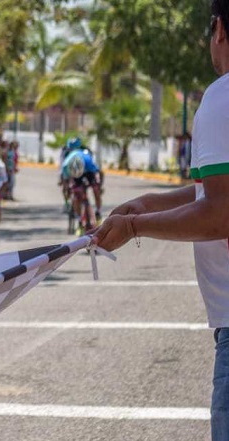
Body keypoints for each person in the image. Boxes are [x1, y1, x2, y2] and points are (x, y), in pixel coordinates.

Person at [93, 6, 229, 438]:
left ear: (219, 30)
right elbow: (216, 190)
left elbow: (221, 212)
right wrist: (149, 203)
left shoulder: (222, 98)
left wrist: (136, 227)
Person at [61, 138, 103, 223]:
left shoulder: (87, 160)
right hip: (75, 173)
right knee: (76, 194)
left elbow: (98, 173)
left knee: (95, 189)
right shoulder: (66, 165)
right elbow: (65, 180)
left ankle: (98, 212)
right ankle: (80, 219)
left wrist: (98, 185)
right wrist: (69, 188)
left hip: (88, 171)